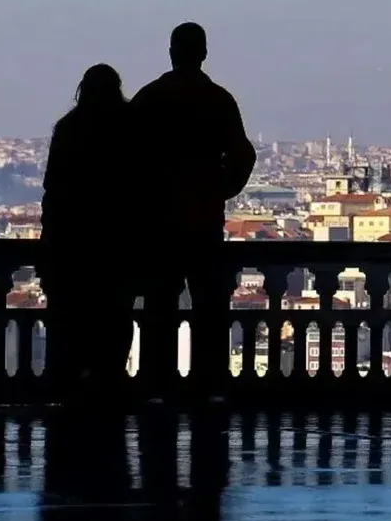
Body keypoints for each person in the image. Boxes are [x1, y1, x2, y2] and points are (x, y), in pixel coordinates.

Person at [129, 23, 256, 397]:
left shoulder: (150, 98)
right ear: (203, 53)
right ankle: (207, 382)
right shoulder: (218, 100)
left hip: (159, 220)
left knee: (159, 306)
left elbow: (124, 156)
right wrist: (221, 189)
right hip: (202, 218)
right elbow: (242, 154)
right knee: (208, 306)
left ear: (171, 51)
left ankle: (158, 381)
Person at [40, 63, 136, 397]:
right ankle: (110, 382)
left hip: (73, 244)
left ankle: (74, 387)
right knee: (115, 321)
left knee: (73, 323)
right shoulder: (130, 127)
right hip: (117, 244)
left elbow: (53, 189)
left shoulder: (68, 129)